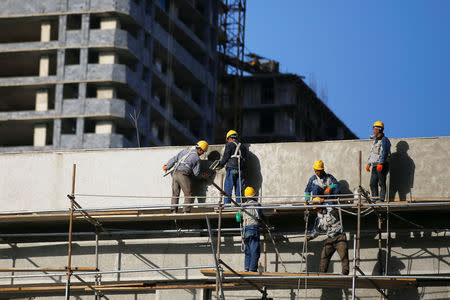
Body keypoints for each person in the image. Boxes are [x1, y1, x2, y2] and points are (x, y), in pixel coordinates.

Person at [306, 198, 349, 275]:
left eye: (318, 208)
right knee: (324, 256)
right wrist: (310, 237)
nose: (318, 210)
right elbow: (317, 230)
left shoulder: (330, 210)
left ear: (321, 205)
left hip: (340, 236)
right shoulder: (318, 218)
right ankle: (322, 273)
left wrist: (325, 202)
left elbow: (333, 204)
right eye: (316, 209)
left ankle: (345, 272)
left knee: (344, 255)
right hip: (330, 238)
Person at [163, 141, 208, 213]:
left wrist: (167, 166)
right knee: (188, 194)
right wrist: (204, 176)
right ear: (200, 150)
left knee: (175, 193)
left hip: (174, 173)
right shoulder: (196, 158)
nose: (202, 153)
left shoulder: (185, 151)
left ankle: (173, 211)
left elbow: (174, 159)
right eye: (203, 152)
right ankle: (186, 212)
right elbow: (196, 174)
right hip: (183, 174)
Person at [216, 130, 247, 204]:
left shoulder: (229, 145)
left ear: (229, 138)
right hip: (241, 170)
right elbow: (245, 159)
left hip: (231, 169)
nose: (227, 141)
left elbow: (226, 157)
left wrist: (220, 165)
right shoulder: (242, 146)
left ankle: (227, 205)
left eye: (227, 139)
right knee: (239, 189)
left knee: (228, 188)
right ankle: (239, 205)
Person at [366, 121, 391, 201]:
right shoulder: (375, 141)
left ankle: (381, 199)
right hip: (374, 165)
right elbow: (373, 153)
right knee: (372, 183)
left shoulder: (384, 140)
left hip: (382, 165)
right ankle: (374, 199)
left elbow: (385, 152)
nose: (373, 131)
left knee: (381, 182)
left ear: (378, 129)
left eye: (374, 129)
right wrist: (369, 163)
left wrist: (381, 163)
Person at [241, 186, 265, 272]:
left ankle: (247, 268)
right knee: (255, 250)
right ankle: (252, 269)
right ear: (254, 195)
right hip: (253, 228)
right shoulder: (255, 204)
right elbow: (260, 216)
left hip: (245, 229)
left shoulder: (243, 206)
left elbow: (240, 217)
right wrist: (266, 222)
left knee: (248, 251)